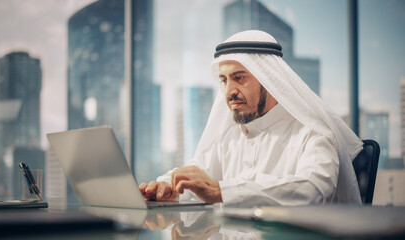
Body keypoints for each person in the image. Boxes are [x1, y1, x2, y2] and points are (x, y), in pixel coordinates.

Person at [139, 30, 363, 206]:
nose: (229, 92)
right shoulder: (228, 138)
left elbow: (312, 190)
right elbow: (197, 172)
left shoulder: (312, 134)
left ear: (271, 80)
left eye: (239, 78)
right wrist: (167, 186)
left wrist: (221, 191)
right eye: (225, 80)